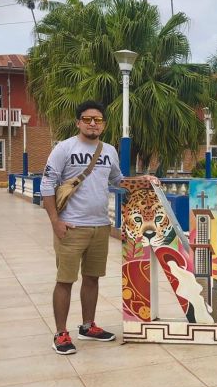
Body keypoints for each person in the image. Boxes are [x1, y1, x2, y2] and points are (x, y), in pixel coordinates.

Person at [40, 100, 158, 355]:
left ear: (103, 124)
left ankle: (88, 326)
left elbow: (118, 180)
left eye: (98, 120)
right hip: (71, 227)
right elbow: (47, 184)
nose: (93, 123)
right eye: (87, 119)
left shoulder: (109, 151)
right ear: (78, 122)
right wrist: (55, 222)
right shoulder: (64, 148)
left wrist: (143, 180)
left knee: (92, 278)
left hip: (100, 226)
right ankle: (61, 334)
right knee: (65, 280)